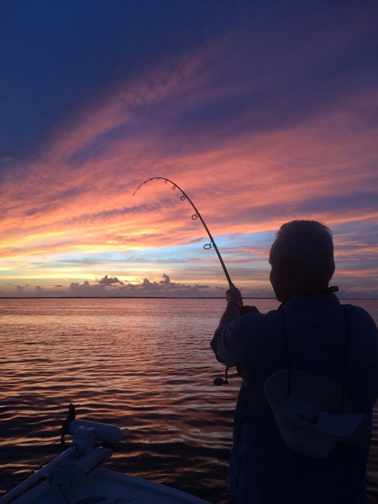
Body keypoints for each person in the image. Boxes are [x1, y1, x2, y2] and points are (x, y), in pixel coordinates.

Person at [211, 220, 378, 504]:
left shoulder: (254, 332)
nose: (271, 276)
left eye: (272, 266)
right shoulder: (363, 325)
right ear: (332, 269)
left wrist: (233, 304)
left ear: (285, 267)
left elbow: (220, 345)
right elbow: (306, 338)